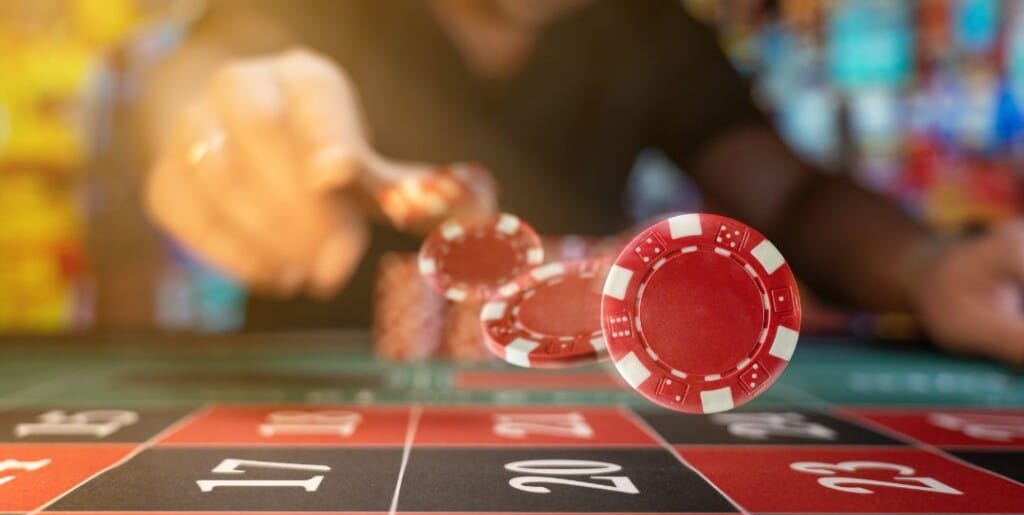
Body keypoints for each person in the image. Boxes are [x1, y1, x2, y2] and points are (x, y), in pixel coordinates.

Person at [139, 0, 1024, 365]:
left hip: (573, 400)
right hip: (299, 392)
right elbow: (201, 79)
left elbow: (786, 193)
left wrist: (926, 269)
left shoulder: (651, 28)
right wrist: (214, 126)